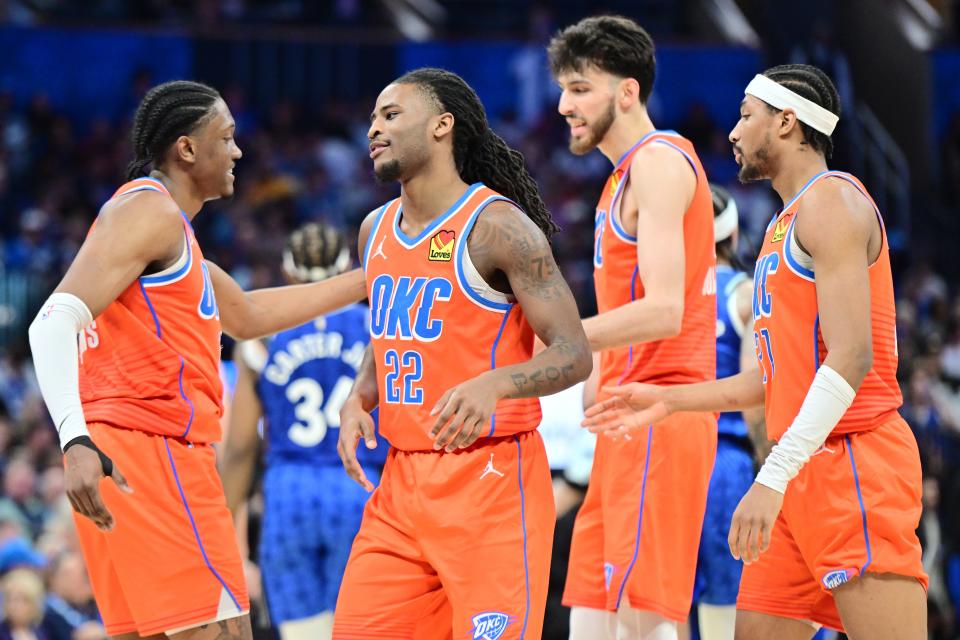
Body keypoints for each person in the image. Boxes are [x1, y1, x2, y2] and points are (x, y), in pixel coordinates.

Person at [584, 64, 928, 639]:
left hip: (854, 464)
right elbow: (776, 378)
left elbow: (851, 358)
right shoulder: (778, 228)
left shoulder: (833, 203)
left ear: (788, 123)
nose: (734, 133)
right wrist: (669, 400)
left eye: (747, 117)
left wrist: (771, 476)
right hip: (797, 470)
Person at [27, 80, 367, 640]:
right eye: (227, 137)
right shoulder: (149, 211)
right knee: (225, 631)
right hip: (152, 448)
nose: (238, 151)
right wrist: (74, 439)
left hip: (129, 454)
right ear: (187, 148)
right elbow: (51, 323)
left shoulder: (172, 237)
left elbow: (249, 314)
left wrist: (371, 276)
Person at [332, 67, 592, 639]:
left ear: (442, 126)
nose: (373, 128)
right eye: (372, 117)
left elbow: (574, 353)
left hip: (492, 480)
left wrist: (495, 384)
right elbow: (391, 330)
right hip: (400, 486)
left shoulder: (498, 227)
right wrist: (360, 395)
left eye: (391, 114)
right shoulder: (373, 229)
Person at [548, 16, 718, 639]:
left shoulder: (659, 163)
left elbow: (666, 310)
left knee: (643, 625)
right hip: (623, 419)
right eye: (563, 88)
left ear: (626, 92)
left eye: (580, 88)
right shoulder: (619, 178)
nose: (564, 104)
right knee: (592, 622)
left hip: (661, 415)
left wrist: (566, 337)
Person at [220, 222, 385, 640]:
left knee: (303, 632)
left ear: (288, 274)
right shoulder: (380, 328)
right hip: (362, 485)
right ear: (348, 267)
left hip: (288, 493)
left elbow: (240, 446)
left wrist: (223, 528)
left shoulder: (261, 339)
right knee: (362, 627)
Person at [690, 185, 765, 640]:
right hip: (726, 463)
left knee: (676, 601)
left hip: (670, 459)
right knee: (728, 600)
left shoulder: (664, 299)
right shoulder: (745, 293)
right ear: (733, 234)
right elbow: (754, 394)